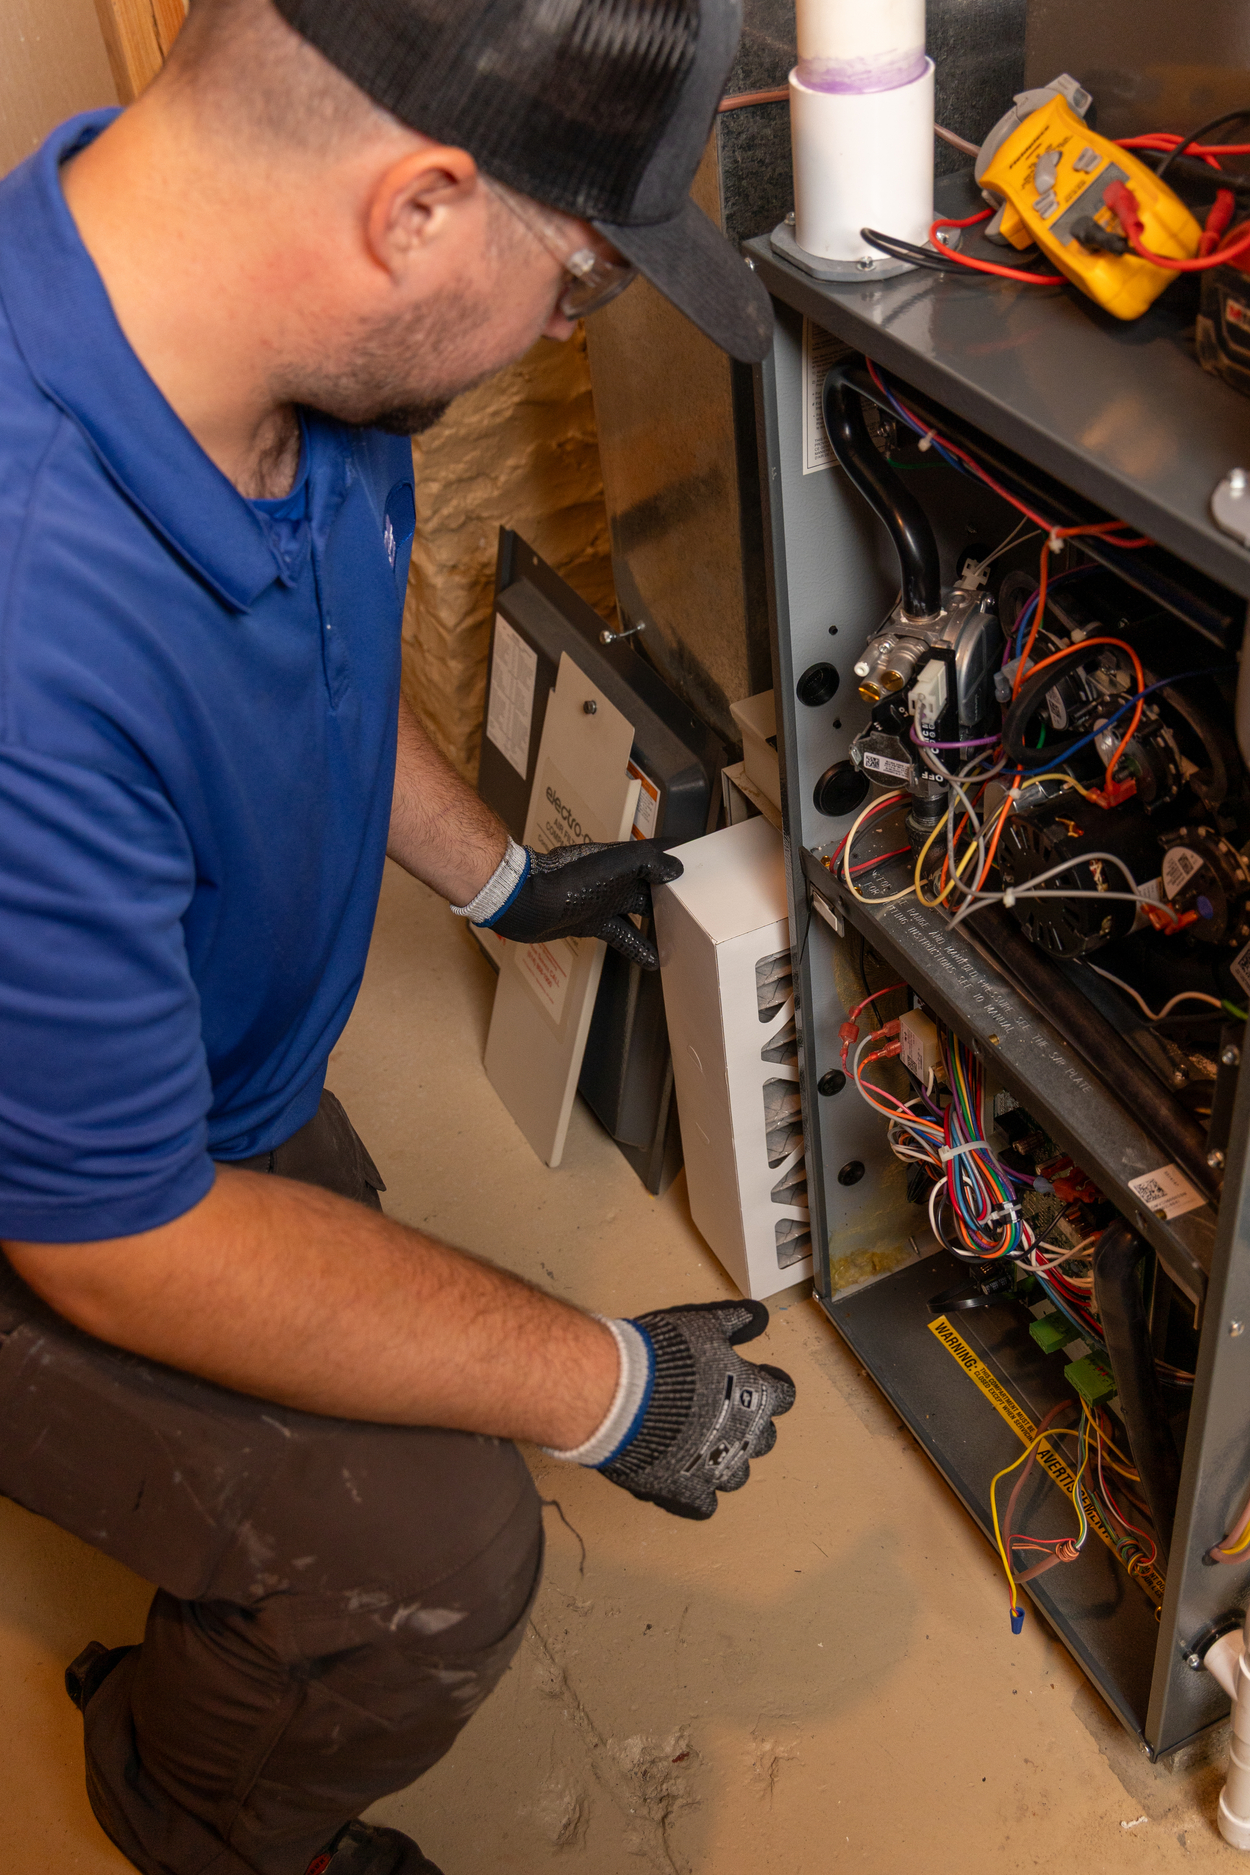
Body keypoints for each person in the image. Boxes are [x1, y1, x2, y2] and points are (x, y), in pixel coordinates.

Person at [0, 0, 794, 1870]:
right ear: (418, 206)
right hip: (70, 1198)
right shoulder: (30, 617)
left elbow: (308, 645)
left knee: (346, 1271)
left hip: (188, 1087)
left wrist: (502, 874)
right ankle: (187, 1808)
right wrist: (614, 1383)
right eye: (581, 282)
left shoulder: (283, 351)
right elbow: (121, 1245)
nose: (554, 335)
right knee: (431, 1549)